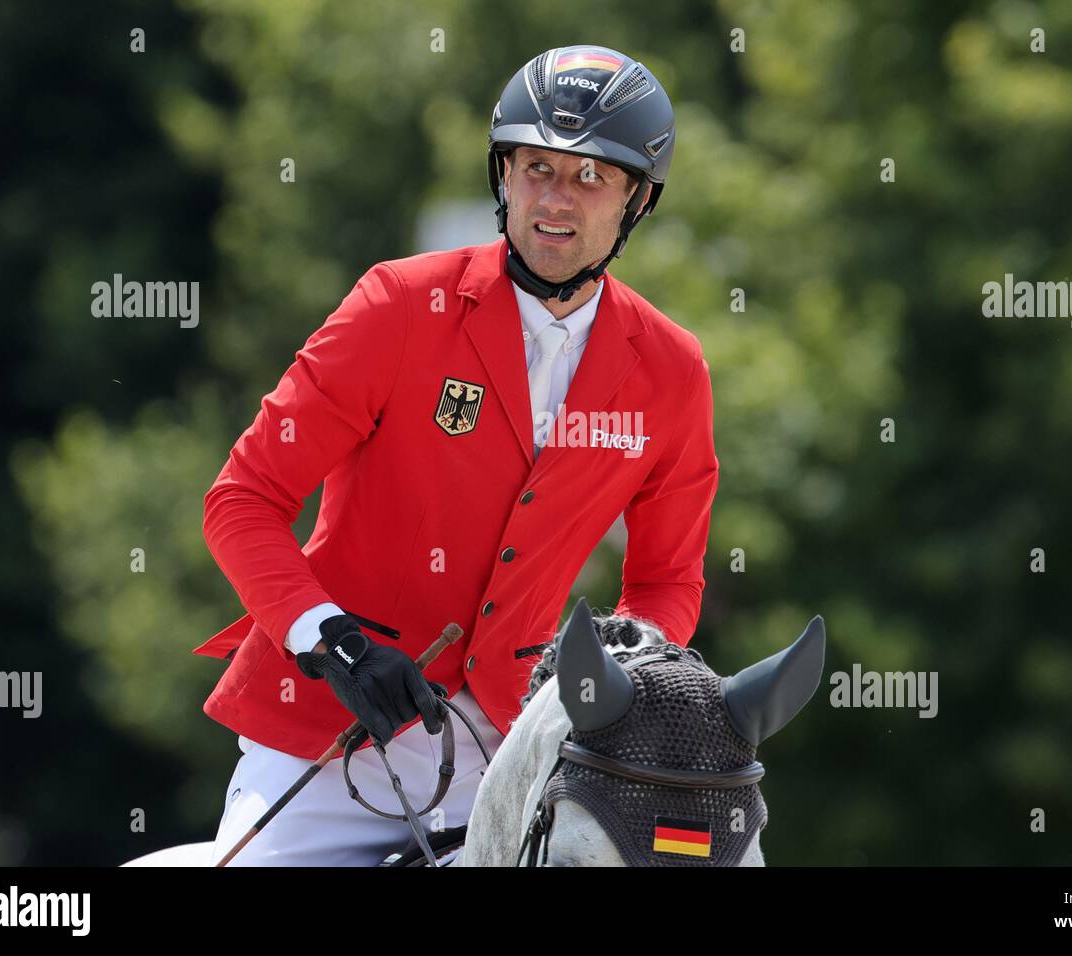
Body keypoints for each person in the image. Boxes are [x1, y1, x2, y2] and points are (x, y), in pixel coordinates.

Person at [194, 43, 718, 865]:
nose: (557, 199)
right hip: (329, 730)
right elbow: (242, 499)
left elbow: (664, 581)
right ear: (501, 175)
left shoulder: (672, 369)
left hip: (515, 750)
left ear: (638, 200)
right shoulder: (398, 305)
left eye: (592, 178)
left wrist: (621, 686)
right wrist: (329, 639)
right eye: (537, 167)